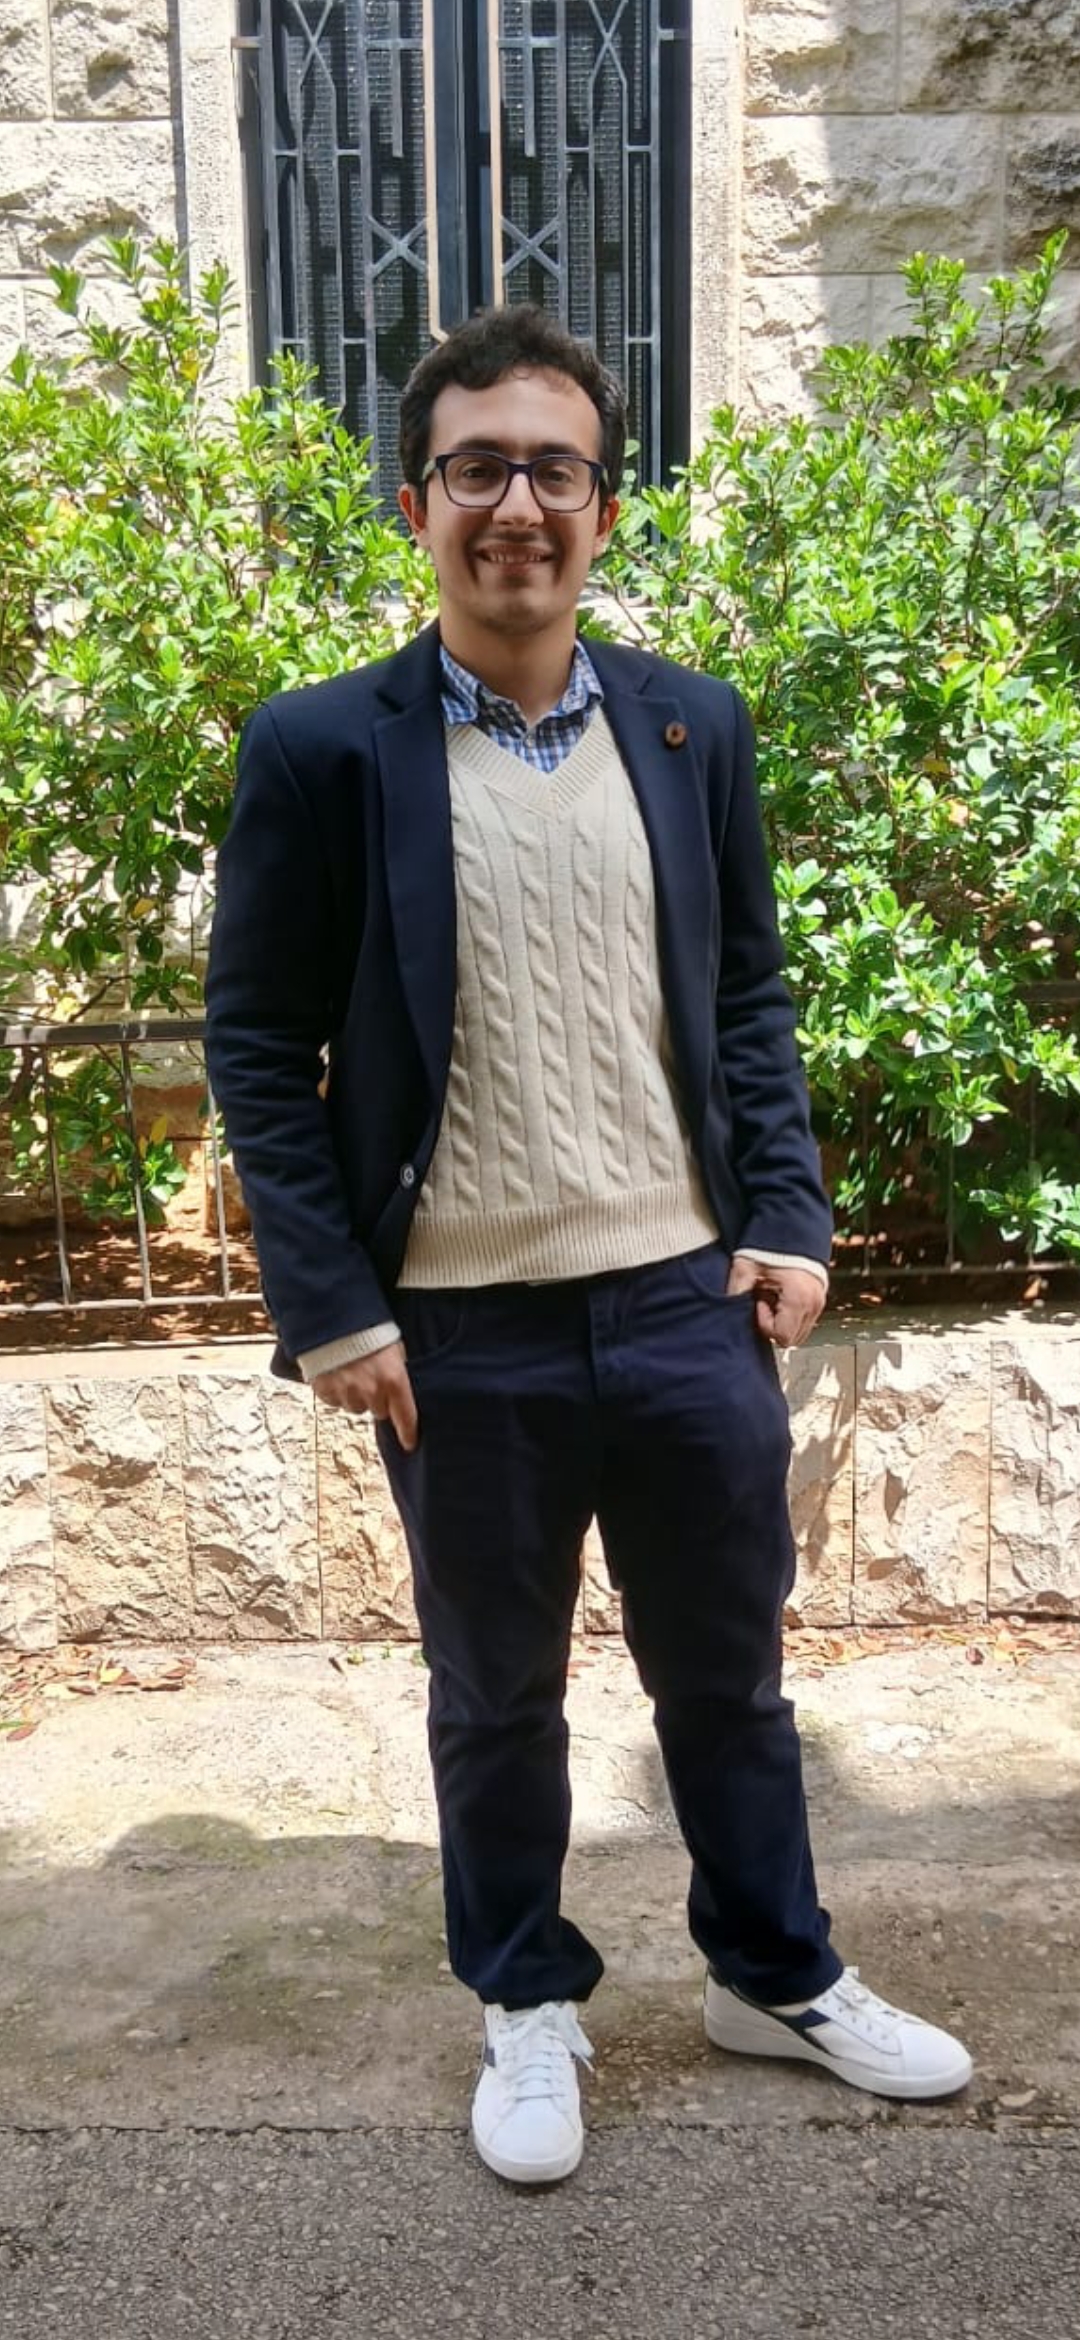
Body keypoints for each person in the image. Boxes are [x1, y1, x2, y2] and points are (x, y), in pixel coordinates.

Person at [205, 304, 972, 2186]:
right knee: (498, 1697)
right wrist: (332, 1306)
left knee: (729, 1677)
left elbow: (748, 999)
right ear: (418, 505)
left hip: (682, 1297)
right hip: (456, 1329)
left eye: (555, 469)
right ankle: (526, 1997)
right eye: (477, 469)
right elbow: (259, 1046)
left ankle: (772, 1970)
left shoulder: (690, 726)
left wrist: (786, 1216)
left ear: (605, 509)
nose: (518, 507)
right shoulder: (323, 749)